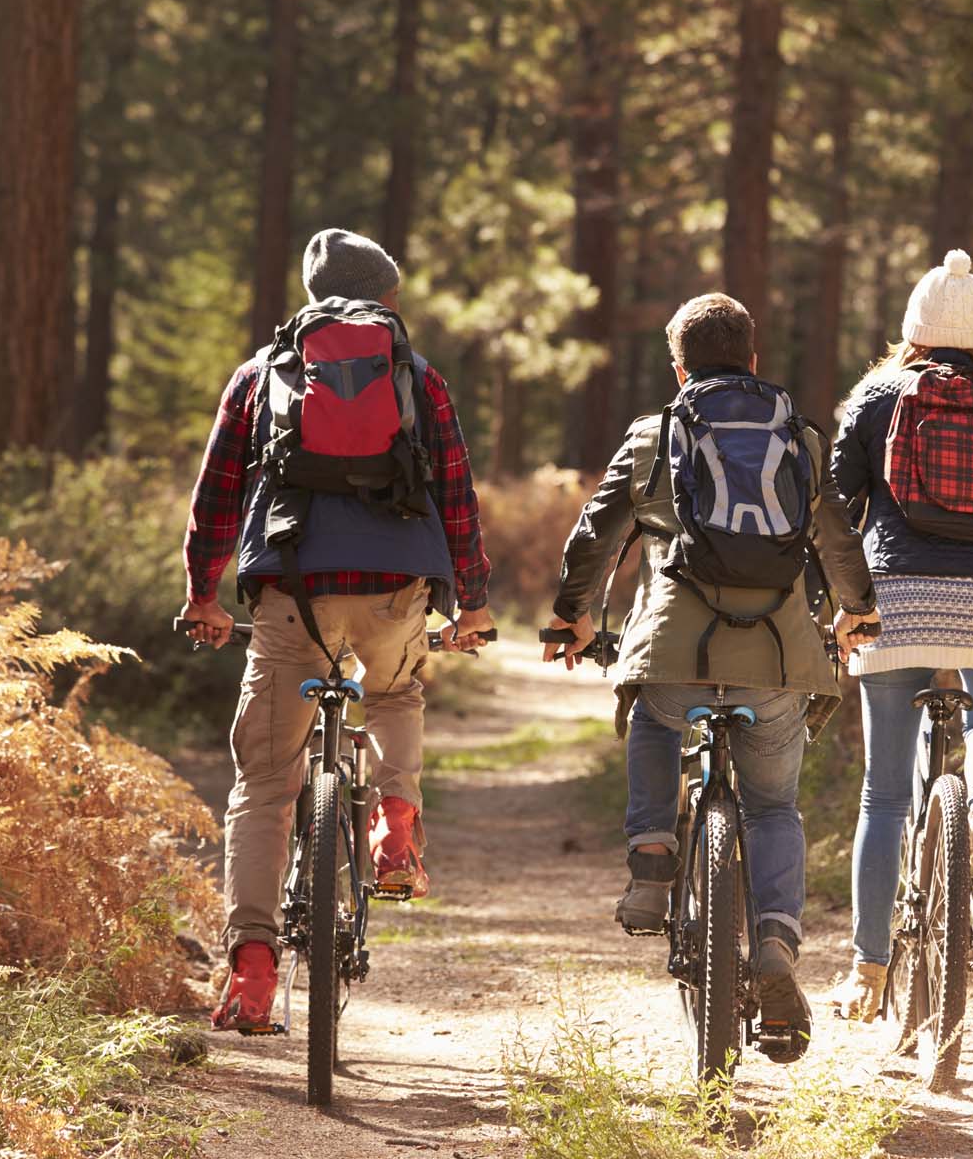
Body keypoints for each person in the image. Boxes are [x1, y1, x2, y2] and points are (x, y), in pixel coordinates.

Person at [545, 293, 877, 1055]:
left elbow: (597, 532)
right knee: (773, 808)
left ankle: (653, 864)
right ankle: (774, 948)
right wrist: (857, 611)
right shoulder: (799, 435)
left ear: (678, 364)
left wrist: (574, 614)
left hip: (675, 649)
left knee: (656, 720)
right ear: (753, 360)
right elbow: (836, 540)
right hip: (780, 656)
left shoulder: (655, 434)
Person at [181, 228, 495, 1030]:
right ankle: (395, 829)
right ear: (386, 297)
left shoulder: (263, 373)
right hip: (394, 589)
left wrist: (203, 596)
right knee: (393, 693)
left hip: (290, 589)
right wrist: (473, 600)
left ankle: (252, 964)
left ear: (312, 296)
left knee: (263, 786)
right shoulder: (416, 376)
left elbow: (216, 495)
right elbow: (455, 492)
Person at [828, 250, 973, 1023]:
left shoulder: (879, 394)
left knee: (884, 794)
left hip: (897, 600)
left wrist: (841, 600)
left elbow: (833, 507)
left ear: (912, 331)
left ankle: (867, 967)